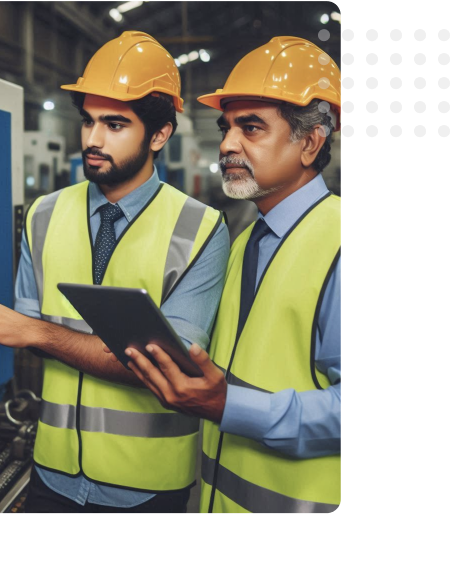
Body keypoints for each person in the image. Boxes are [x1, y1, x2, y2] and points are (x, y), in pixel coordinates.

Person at [0, 31, 229, 514]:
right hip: (51, 474)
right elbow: (24, 335)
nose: (93, 139)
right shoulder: (43, 215)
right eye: (89, 121)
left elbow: (167, 366)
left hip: (146, 485)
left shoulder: (200, 228)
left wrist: (31, 329)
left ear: (159, 134)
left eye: (115, 124)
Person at [119, 36, 342, 514]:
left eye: (252, 128)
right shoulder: (247, 241)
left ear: (311, 142)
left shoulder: (348, 244)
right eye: (226, 127)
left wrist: (227, 406)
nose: (226, 145)